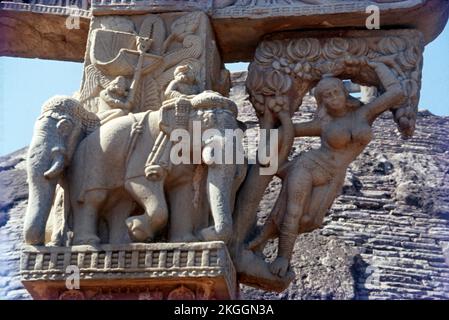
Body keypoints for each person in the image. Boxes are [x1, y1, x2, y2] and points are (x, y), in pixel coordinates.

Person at [249, 60, 406, 278]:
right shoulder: (324, 124)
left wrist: (377, 64)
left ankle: (262, 239)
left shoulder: (365, 113)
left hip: (334, 175)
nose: (333, 98)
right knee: (294, 211)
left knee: (309, 220)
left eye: (336, 92)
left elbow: (396, 92)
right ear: (321, 102)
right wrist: (270, 143)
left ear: (344, 91)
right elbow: (287, 131)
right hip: (309, 165)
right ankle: (282, 257)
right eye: (327, 96)